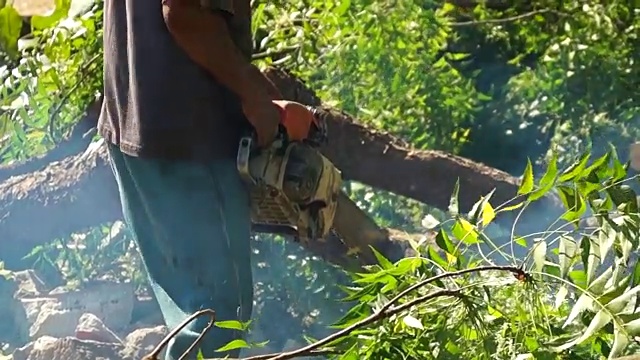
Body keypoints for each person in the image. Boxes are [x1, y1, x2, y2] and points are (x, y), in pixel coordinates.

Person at [98, 0, 282, 358]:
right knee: (217, 317)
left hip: (133, 121)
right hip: (186, 140)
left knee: (190, 308)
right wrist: (254, 93)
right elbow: (185, 14)